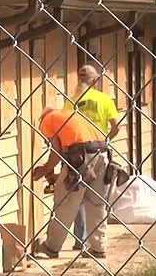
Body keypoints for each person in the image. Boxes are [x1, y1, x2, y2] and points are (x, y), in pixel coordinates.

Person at [32, 107, 109, 259]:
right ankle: (99, 248)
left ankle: (51, 247)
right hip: (102, 152)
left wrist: (44, 169)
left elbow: (57, 151)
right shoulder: (73, 115)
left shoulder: (48, 120)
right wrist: (60, 175)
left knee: (65, 202)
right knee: (96, 202)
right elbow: (78, 147)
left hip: (81, 156)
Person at [64, 64, 120, 251]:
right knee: (97, 198)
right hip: (99, 150)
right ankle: (97, 243)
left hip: (78, 153)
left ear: (79, 80)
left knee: (77, 194)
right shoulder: (104, 99)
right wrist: (106, 140)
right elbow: (116, 126)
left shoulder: (72, 100)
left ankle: (80, 240)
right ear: (95, 80)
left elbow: (65, 126)